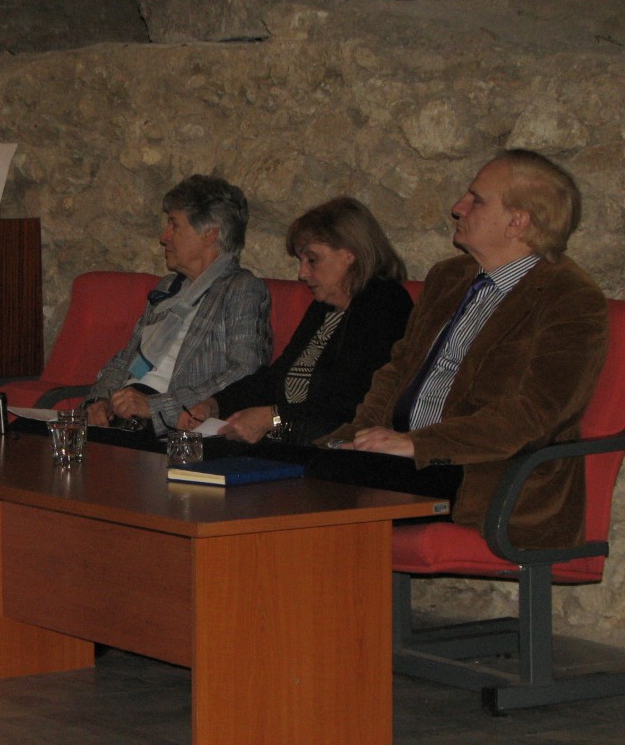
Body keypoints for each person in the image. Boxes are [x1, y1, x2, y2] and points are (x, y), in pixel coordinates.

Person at [319, 149, 608, 549]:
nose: (458, 208)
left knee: (309, 498)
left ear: (518, 221)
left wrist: (419, 445)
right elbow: (397, 372)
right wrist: (354, 437)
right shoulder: (448, 277)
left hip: (486, 475)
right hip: (401, 463)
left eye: (477, 200)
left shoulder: (570, 298)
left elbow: (533, 416)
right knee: (291, 471)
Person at [178, 196, 412, 446]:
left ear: (350, 254)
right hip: (291, 441)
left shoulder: (385, 303)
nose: (302, 273)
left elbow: (351, 403)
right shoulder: (324, 308)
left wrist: (273, 418)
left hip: (334, 446)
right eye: (301, 261)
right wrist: (215, 404)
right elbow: (276, 377)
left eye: (312, 260)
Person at [84, 174, 272, 437]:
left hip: (172, 429)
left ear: (209, 234)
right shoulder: (169, 287)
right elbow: (126, 357)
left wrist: (158, 407)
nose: (164, 237)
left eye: (174, 225)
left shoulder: (240, 288)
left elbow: (246, 373)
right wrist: (101, 400)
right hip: (126, 417)